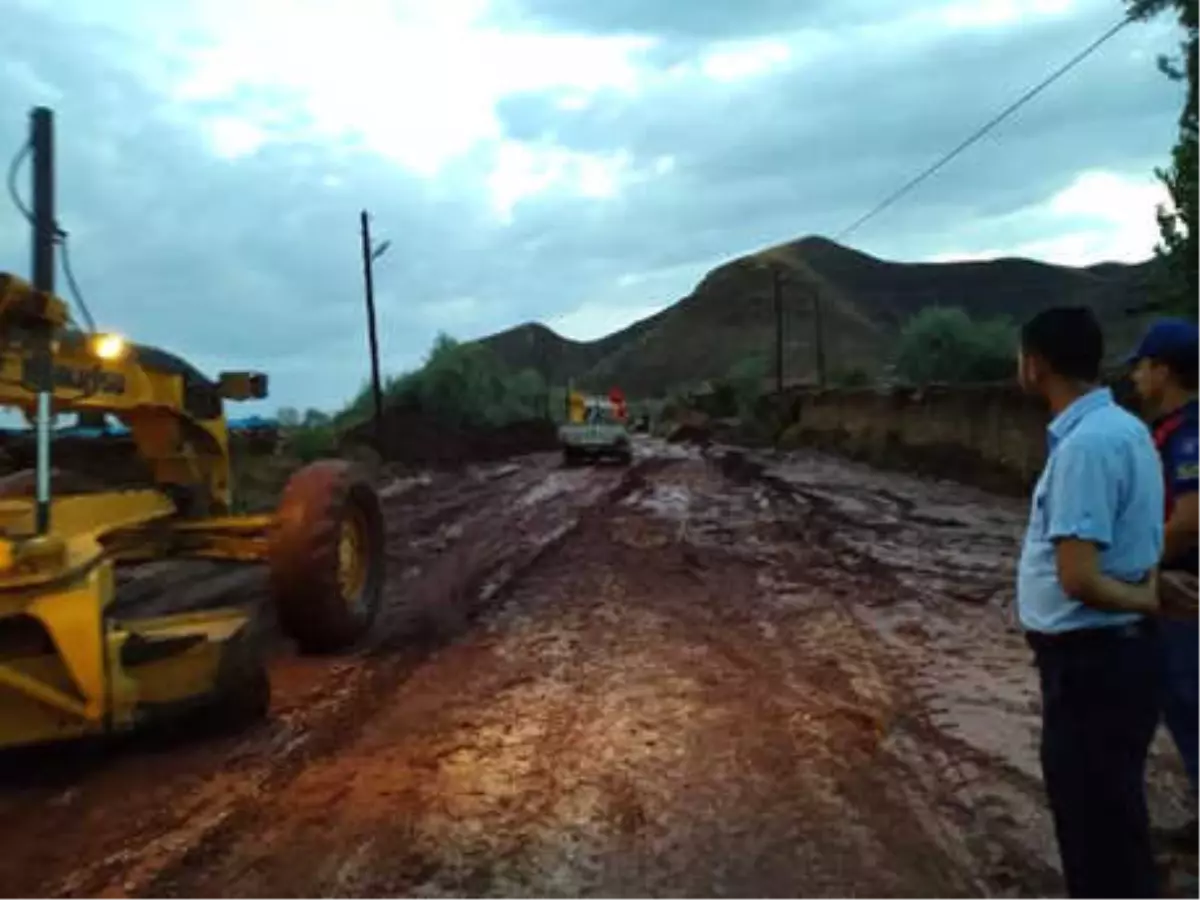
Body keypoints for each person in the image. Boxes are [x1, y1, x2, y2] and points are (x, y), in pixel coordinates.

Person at [1016, 306, 1164, 900]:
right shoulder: (1125, 430)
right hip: (1114, 662)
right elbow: (1138, 540)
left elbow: (1078, 577)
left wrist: (1145, 600)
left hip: (1090, 666)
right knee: (1114, 817)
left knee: (1092, 830)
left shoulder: (1086, 448)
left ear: (1036, 364)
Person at [1127, 317, 1200, 852]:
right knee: (1175, 700)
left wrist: (1129, 568)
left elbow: (1191, 519)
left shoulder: (1192, 434)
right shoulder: (1168, 430)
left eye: (1143, 365)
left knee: (1189, 698)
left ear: (1165, 370)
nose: (1135, 376)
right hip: (1171, 585)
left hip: (1187, 590)